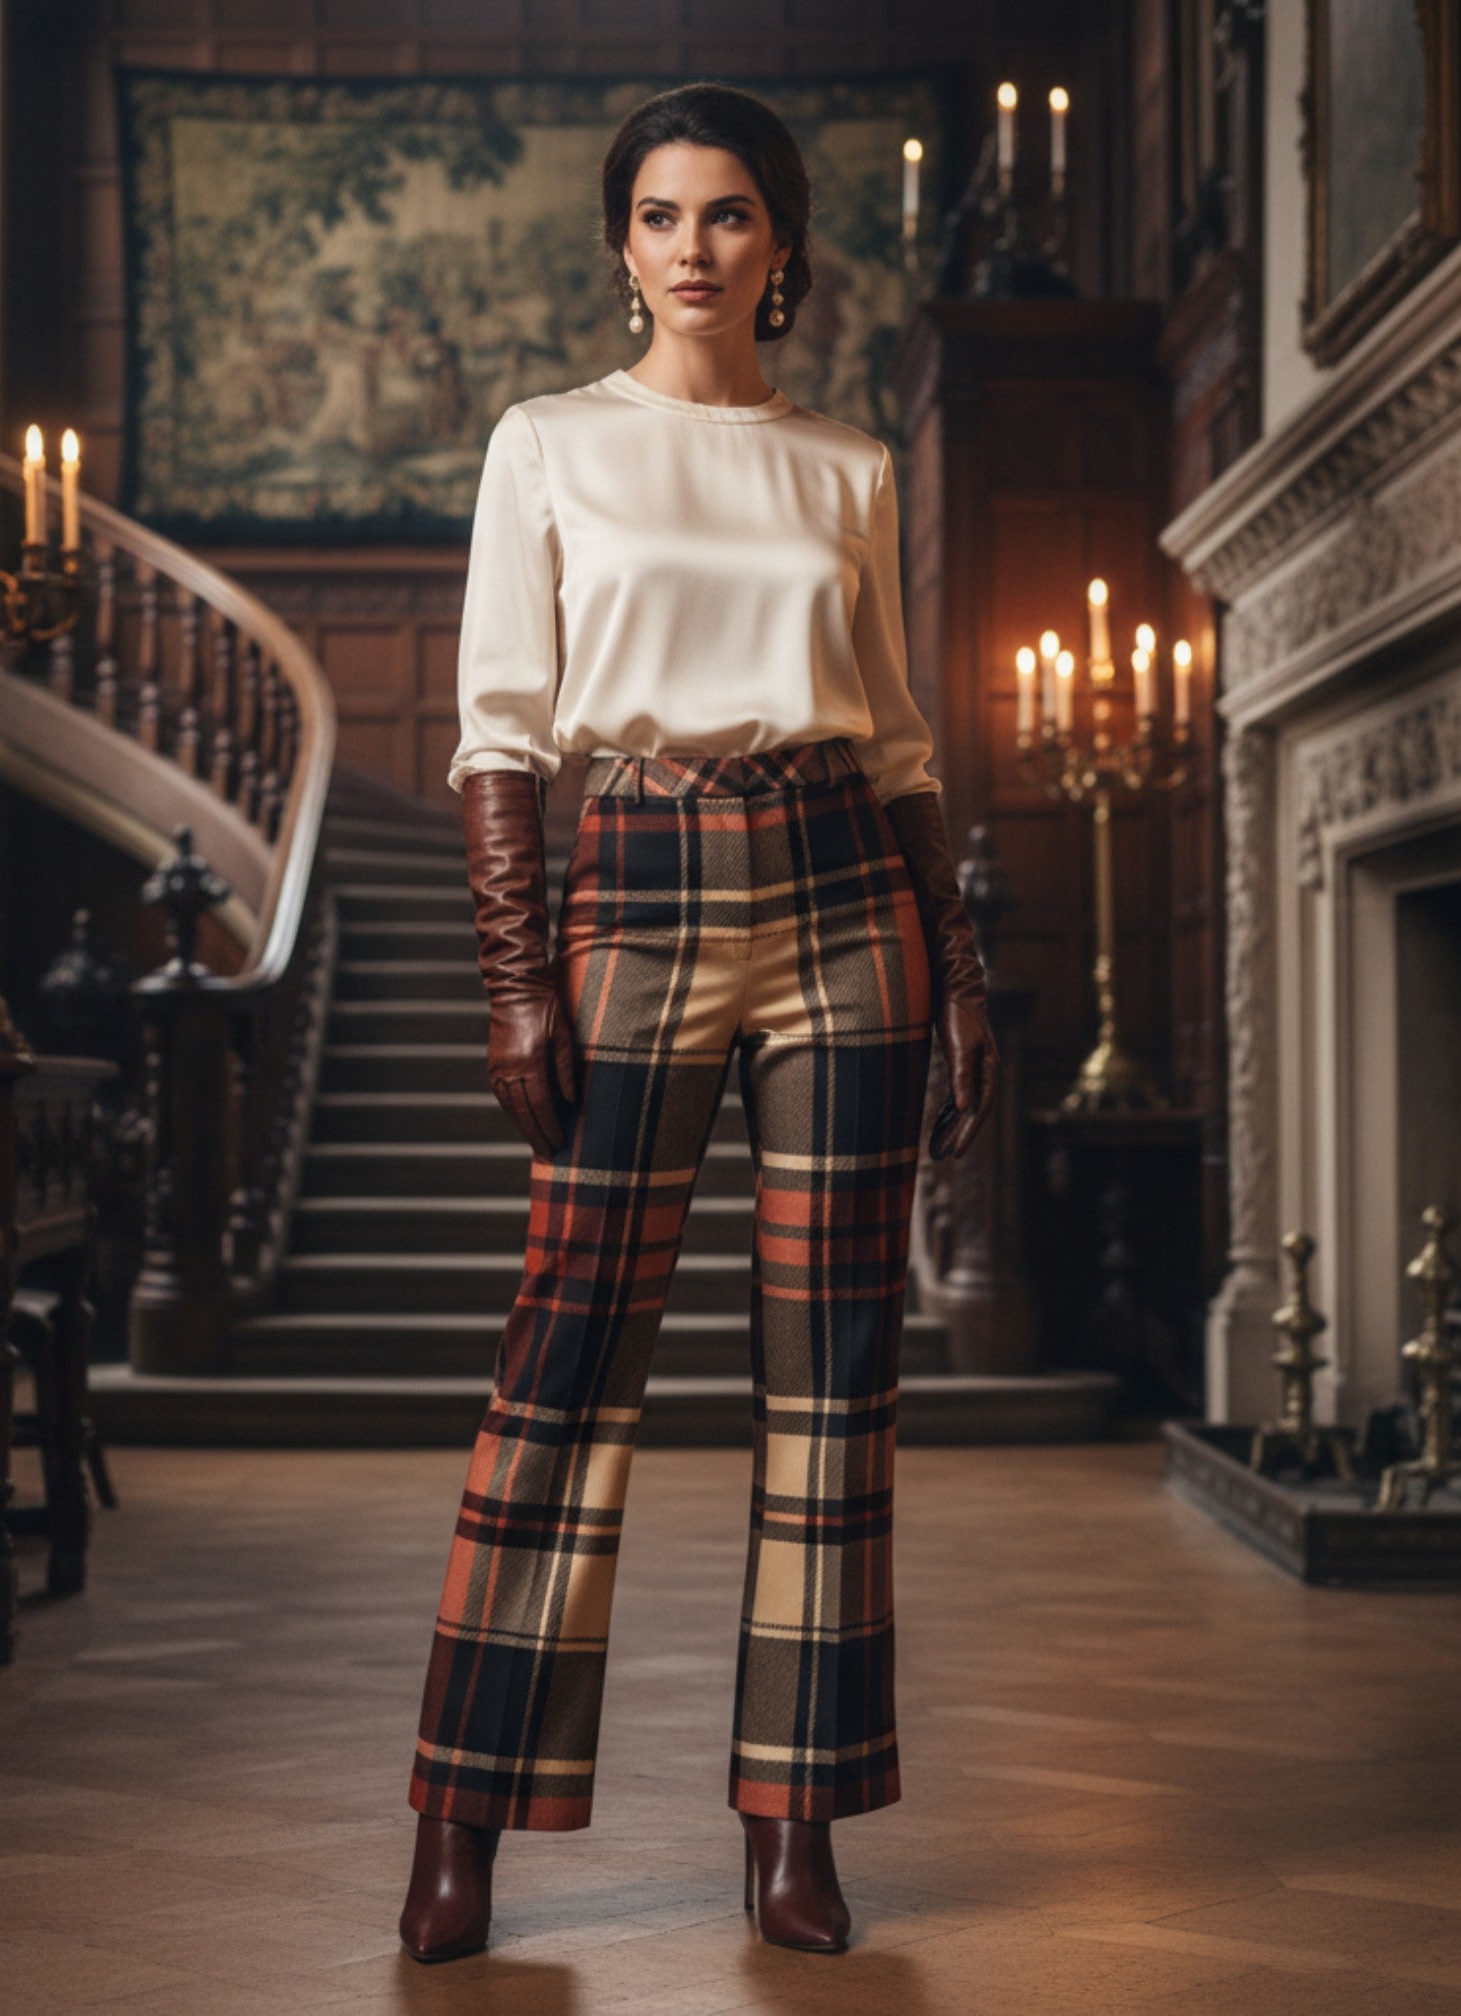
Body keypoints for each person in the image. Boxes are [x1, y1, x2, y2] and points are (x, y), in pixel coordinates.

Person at [399, 80, 999, 1965]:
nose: (694, 248)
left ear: (782, 247)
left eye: (729, 215)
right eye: (662, 216)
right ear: (622, 248)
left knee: (835, 1383)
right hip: (637, 895)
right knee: (566, 1365)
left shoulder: (847, 465)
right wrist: (516, 977)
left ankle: (792, 1833)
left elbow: (898, 740)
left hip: (845, 896)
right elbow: (503, 725)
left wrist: (959, 968)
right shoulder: (548, 445)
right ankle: (460, 1833)